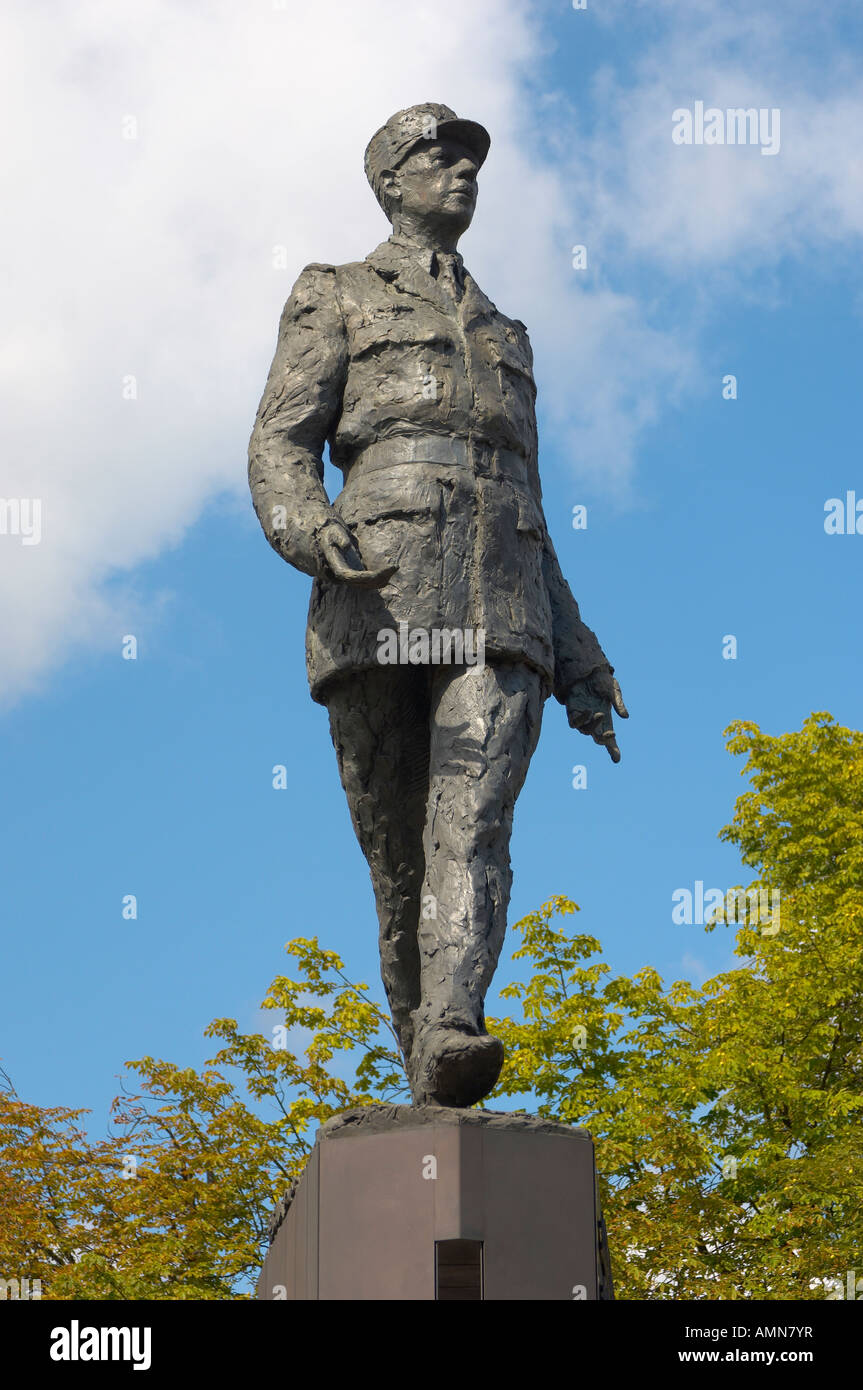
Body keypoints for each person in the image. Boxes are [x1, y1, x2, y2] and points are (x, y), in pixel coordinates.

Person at [248, 103, 627, 1107]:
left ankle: (455, 1023)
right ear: (388, 179)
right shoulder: (332, 292)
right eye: (436, 155)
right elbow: (281, 441)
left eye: (468, 159)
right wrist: (305, 524)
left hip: (501, 598)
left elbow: (531, 504)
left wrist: (579, 655)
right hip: (377, 587)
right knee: (399, 851)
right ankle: (422, 1045)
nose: (459, 172)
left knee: (473, 820)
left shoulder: (506, 332)